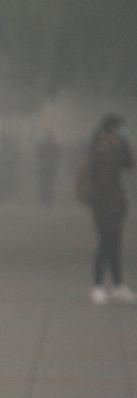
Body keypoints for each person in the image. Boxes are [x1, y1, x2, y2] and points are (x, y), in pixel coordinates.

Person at [83, 114, 135, 305]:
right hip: (106, 206)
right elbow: (103, 182)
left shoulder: (114, 147)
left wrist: (125, 142)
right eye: (121, 128)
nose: (124, 131)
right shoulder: (103, 149)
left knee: (114, 245)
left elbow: (129, 164)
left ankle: (118, 286)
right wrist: (109, 205)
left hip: (114, 204)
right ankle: (97, 287)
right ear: (113, 128)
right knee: (106, 244)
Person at [34, 130, 61, 205]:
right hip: (44, 167)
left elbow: (58, 156)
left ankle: (48, 198)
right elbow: (38, 155)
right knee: (44, 183)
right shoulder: (44, 146)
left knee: (49, 183)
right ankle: (44, 198)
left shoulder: (54, 146)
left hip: (50, 167)